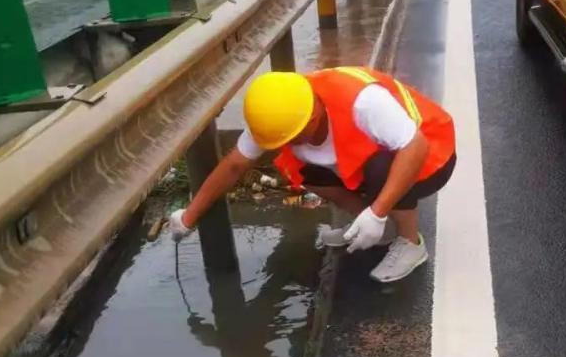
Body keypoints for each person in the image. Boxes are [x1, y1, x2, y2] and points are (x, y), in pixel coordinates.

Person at [170, 67, 456, 283]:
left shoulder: (363, 102)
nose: (288, 144)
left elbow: (415, 147)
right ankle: (368, 230)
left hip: (431, 155)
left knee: (381, 166)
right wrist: (188, 217)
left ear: (313, 117)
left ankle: (410, 242)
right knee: (306, 169)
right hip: (373, 160)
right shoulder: (279, 112)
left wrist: (378, 212)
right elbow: (234, 165)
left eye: (293, 138)